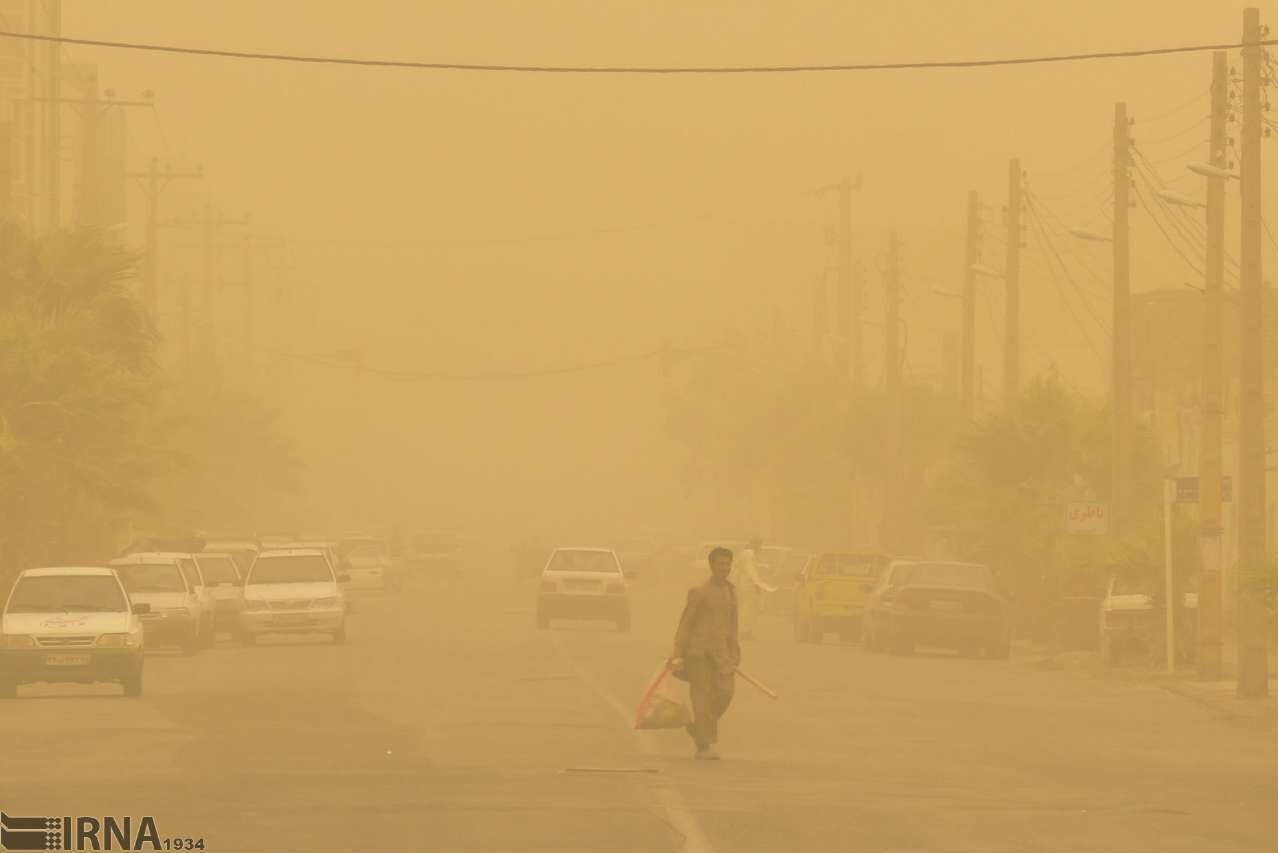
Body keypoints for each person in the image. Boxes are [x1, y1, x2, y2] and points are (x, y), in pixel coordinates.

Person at [668, 546, 740, 760]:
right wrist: (677, 651)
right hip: (698, 654)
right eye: (720, 564)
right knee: (702, 698)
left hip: (722, 655)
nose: (724, 568)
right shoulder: (699, 592)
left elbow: (733, 627)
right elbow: (686, 623)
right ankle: (704, 745)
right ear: (711, 566)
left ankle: (700, 728)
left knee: (725, 693)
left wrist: (735, 653)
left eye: (727, 564)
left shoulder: (731, 592)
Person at [731, 536, 768, 639]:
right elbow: (751, 571)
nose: (760, 547)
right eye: (759, 544)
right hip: (748, 584)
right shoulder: (749, 554)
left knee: (748, 608)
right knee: (748, 608)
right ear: (754, 544)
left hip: (745, 583)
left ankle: (745, 630)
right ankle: (744, 631)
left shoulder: (748, 553)